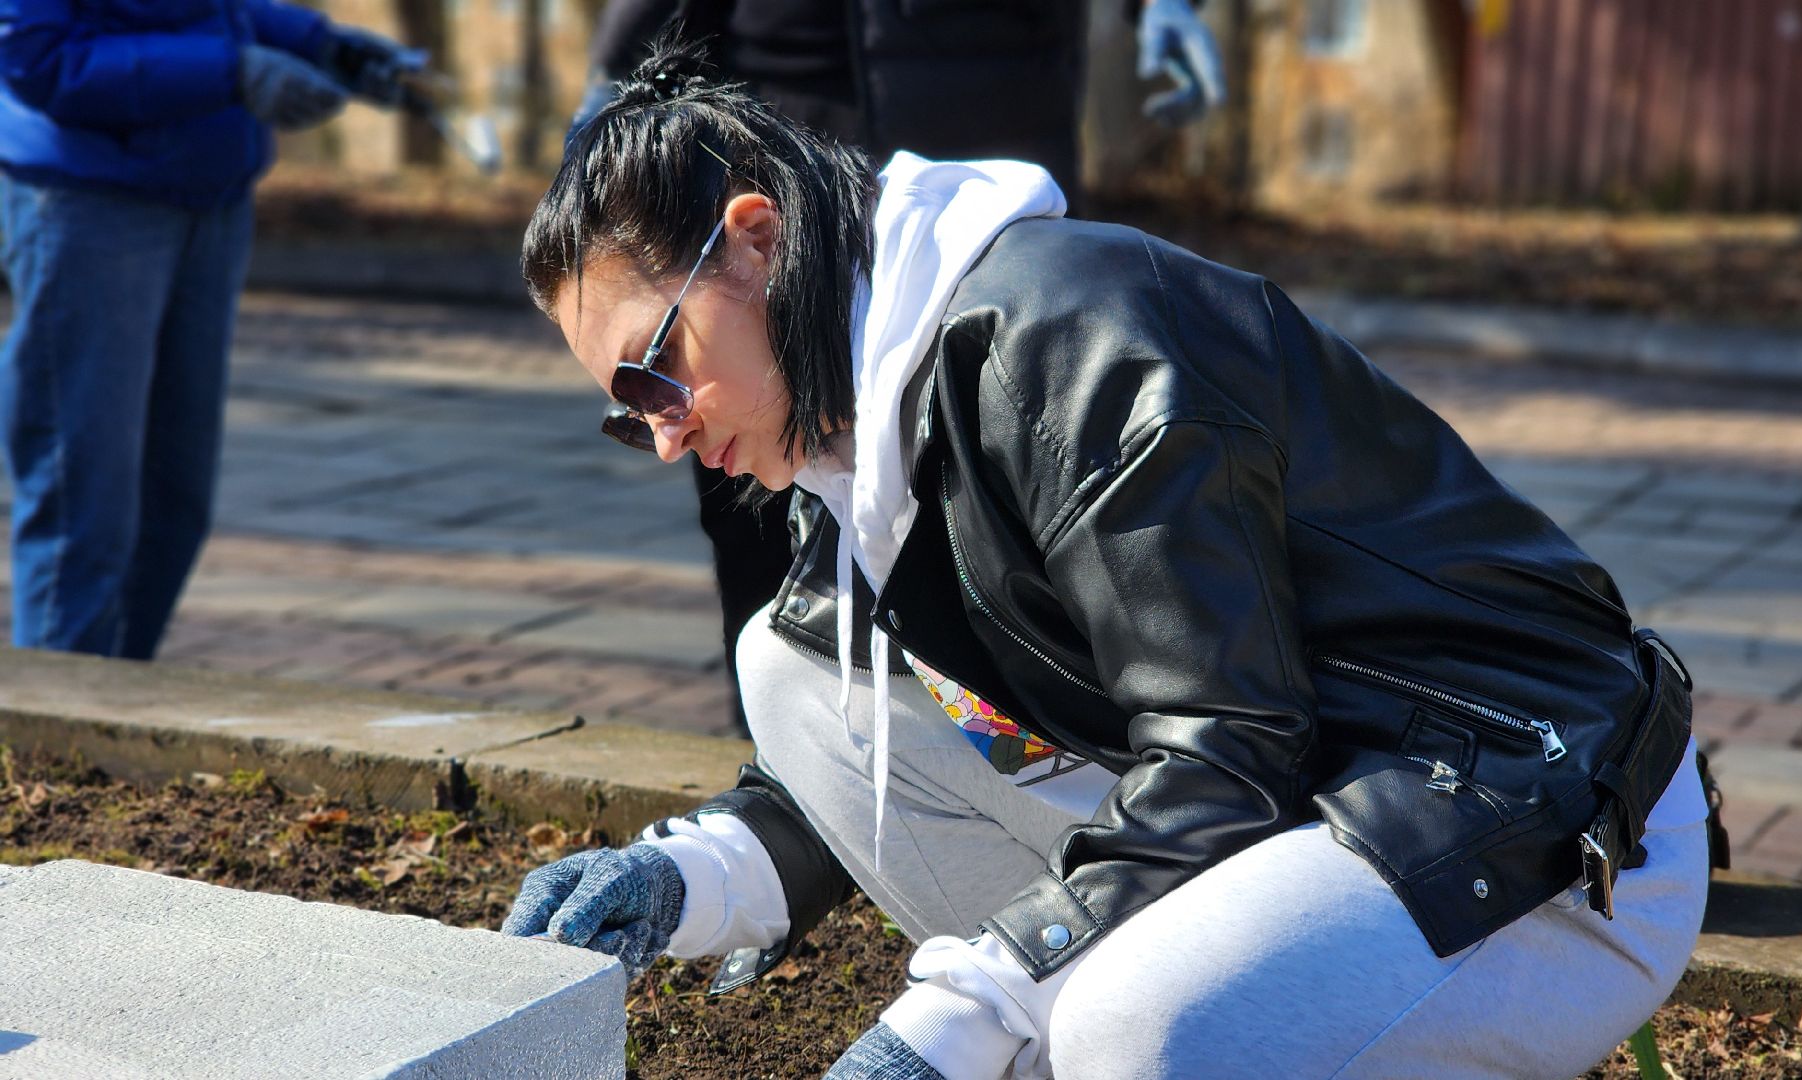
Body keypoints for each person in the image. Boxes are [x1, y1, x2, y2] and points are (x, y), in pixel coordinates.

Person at [504, 42, 1711, 1079]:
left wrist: (962, 1014)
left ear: (755, 242)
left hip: (1521, 814)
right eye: (625, 414)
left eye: (651, 373)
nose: (662, 435)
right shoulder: (855, 427)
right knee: (794, 663)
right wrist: (692, 878)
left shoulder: (1072, 346)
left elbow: (1227, 745)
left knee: (1137, 1027)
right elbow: (902, 748)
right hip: (1300, 796)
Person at [567, 0, 1225, 734]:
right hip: (782, 114)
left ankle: (1047, 755)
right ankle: (797, 776)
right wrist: (621, 61)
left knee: (1009, 489)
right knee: (752, 495)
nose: (660, 439)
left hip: (984, 108)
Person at [0, 0, 417, 657]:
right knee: (83, 507)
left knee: (173, 506)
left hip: (211, 193)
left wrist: (321, 44)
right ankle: (54, 741)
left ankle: (112, 714)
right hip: (90, 200)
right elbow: (38, 59)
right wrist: (231, 71)